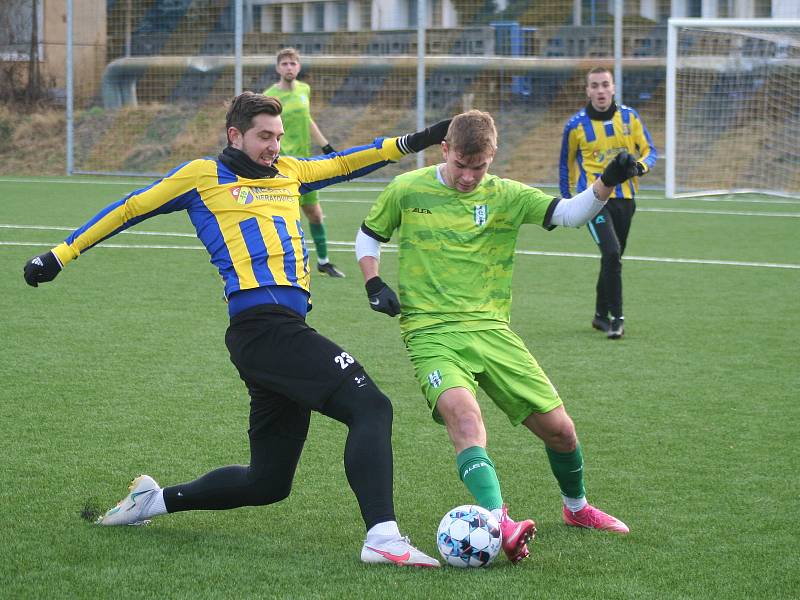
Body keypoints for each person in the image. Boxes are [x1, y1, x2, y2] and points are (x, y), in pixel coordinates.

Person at [23, 91, 451, 568]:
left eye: (278, 136)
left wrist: (425, 138)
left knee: (267, 483)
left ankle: (153, 501)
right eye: (264, 136)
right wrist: (61, 254)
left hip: (279, 334)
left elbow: (354, 159)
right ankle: (383, 537)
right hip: (261, 329)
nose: (274, 145)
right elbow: (130, 208)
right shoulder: (202, 176)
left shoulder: (291, 172)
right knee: (370, 405)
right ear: (235, 135)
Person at [355, 110, 636, 564]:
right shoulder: (407, 189)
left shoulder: (506, 194)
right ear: (444, 149)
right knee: (465, 420)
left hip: (492, 330)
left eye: (478, 167)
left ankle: (577, 508)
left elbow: (569, 213)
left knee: (561, 432)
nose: (468, 177)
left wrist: (605, 182)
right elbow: (369, 237)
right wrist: (373, 282)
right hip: (430, 331)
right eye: (461, 165)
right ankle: (497, 521)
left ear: (492, 157)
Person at [559, 66, 657, 339]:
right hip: (593, 201)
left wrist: (639, 167)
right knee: (612, 253)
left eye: (605, 84)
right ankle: (617, 319)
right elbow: (565, 165)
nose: (600, 90)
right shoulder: (575, 125)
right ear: (587, 90)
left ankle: (600, 315)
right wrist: (568, 204)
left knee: (612, 258)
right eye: (595, 85)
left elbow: (650, 151)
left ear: (613, 88)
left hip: (625, 200)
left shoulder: (630, 117)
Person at [264, 47, 344, 278]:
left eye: (293, 63)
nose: (289, 67)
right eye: (285, 64)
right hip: (281, 164)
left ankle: (324, 262)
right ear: (278, 68)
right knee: (277, 218)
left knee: (315, 215)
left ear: (298, 67)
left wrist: (326, 145)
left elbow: (307, 119)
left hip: (305, 164)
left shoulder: (304, 90)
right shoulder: (270, 96)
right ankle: (259, 269)